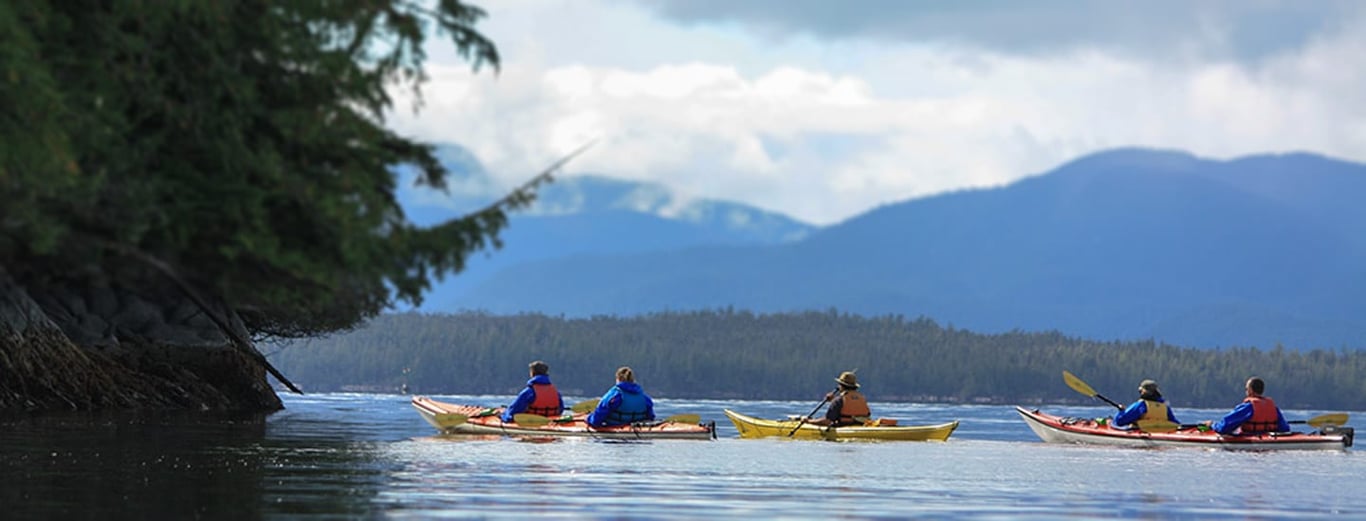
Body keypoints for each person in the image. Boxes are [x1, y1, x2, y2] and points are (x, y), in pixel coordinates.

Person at [1206, 376, 1290, 435]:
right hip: (1269, 439)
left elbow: (1224, 427)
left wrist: (1212, 425)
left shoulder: (1248, 407)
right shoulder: (1273, 408)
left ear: (1250, 390)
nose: (1246, 391)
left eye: (1246, 389)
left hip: (1251, 439)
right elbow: (1285, 428)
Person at [586, 366, 655, 427]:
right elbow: (651, 417)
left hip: (616, 426)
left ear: (618, 379)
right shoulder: (644, 397)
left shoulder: (615, 395)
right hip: (636, 426)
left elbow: (597, 418)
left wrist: (589, 419)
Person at [806, 371, 871, 427]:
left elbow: (827, 421)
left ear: (841, 385)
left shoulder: (839, 400)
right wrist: (832, 401)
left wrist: (809, 421)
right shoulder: (861, 398)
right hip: (861, 425)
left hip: (844, 426)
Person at [1112, 379, 1179, 429]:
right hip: (1163, 433)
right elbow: (1175, 423)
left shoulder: (1141, 405)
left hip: (1144, 432)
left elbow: (1120, 421)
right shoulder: (1164, 406)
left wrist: (1121, 411)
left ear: (1143, 391)